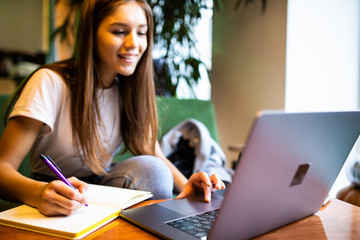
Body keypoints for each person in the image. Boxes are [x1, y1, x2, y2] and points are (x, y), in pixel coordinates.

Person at [0, 0, 225, 217]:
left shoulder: (128, 90)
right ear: (91, 34)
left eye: (141, 32)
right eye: (119, 31)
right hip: (56, 191)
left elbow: (152, 152)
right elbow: (2, 168)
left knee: (152, 168)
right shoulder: (49, 82)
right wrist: (39, 194)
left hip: (99, 188)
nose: (134, 44)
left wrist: (188, 186)